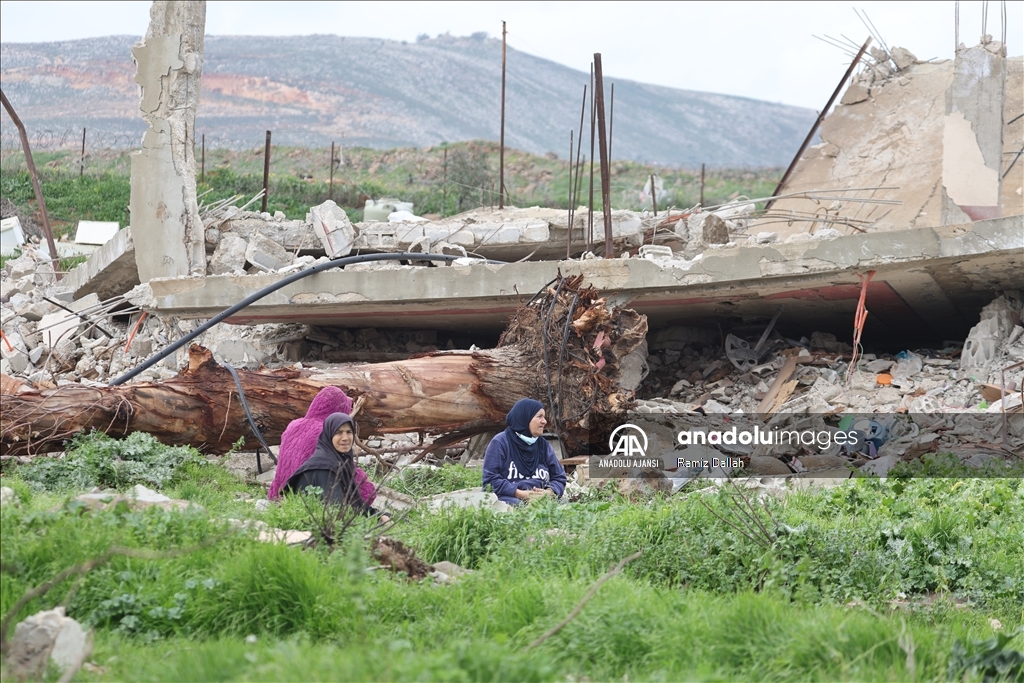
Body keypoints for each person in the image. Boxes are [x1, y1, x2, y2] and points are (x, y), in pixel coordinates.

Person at [268, 386, 376, 507]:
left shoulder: (294, 424)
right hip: (308, 494)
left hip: (279, 492)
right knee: (367, 488)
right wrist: (365, 481)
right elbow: (340, 466)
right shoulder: (326, 430)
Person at [286, 412, 389, 521]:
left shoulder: (340, 462)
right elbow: (337, 512)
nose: (345, 438)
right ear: (329, 435)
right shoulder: (324, 468)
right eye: (338, 432)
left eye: (349, 432)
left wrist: (378, 515)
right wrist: (376, 520)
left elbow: (353, 505)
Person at [482, 398, 567, 506]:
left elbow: (559, 477)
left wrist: (549, 492)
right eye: (539, 416)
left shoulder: (543, 446)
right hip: (511, 497)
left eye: (544, 417)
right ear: (525, 418)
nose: (544, 421)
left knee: (563, 507)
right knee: (518, 506)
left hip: (541, 500)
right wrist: (521, 494)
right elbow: (490, 480)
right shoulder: (501, 443)